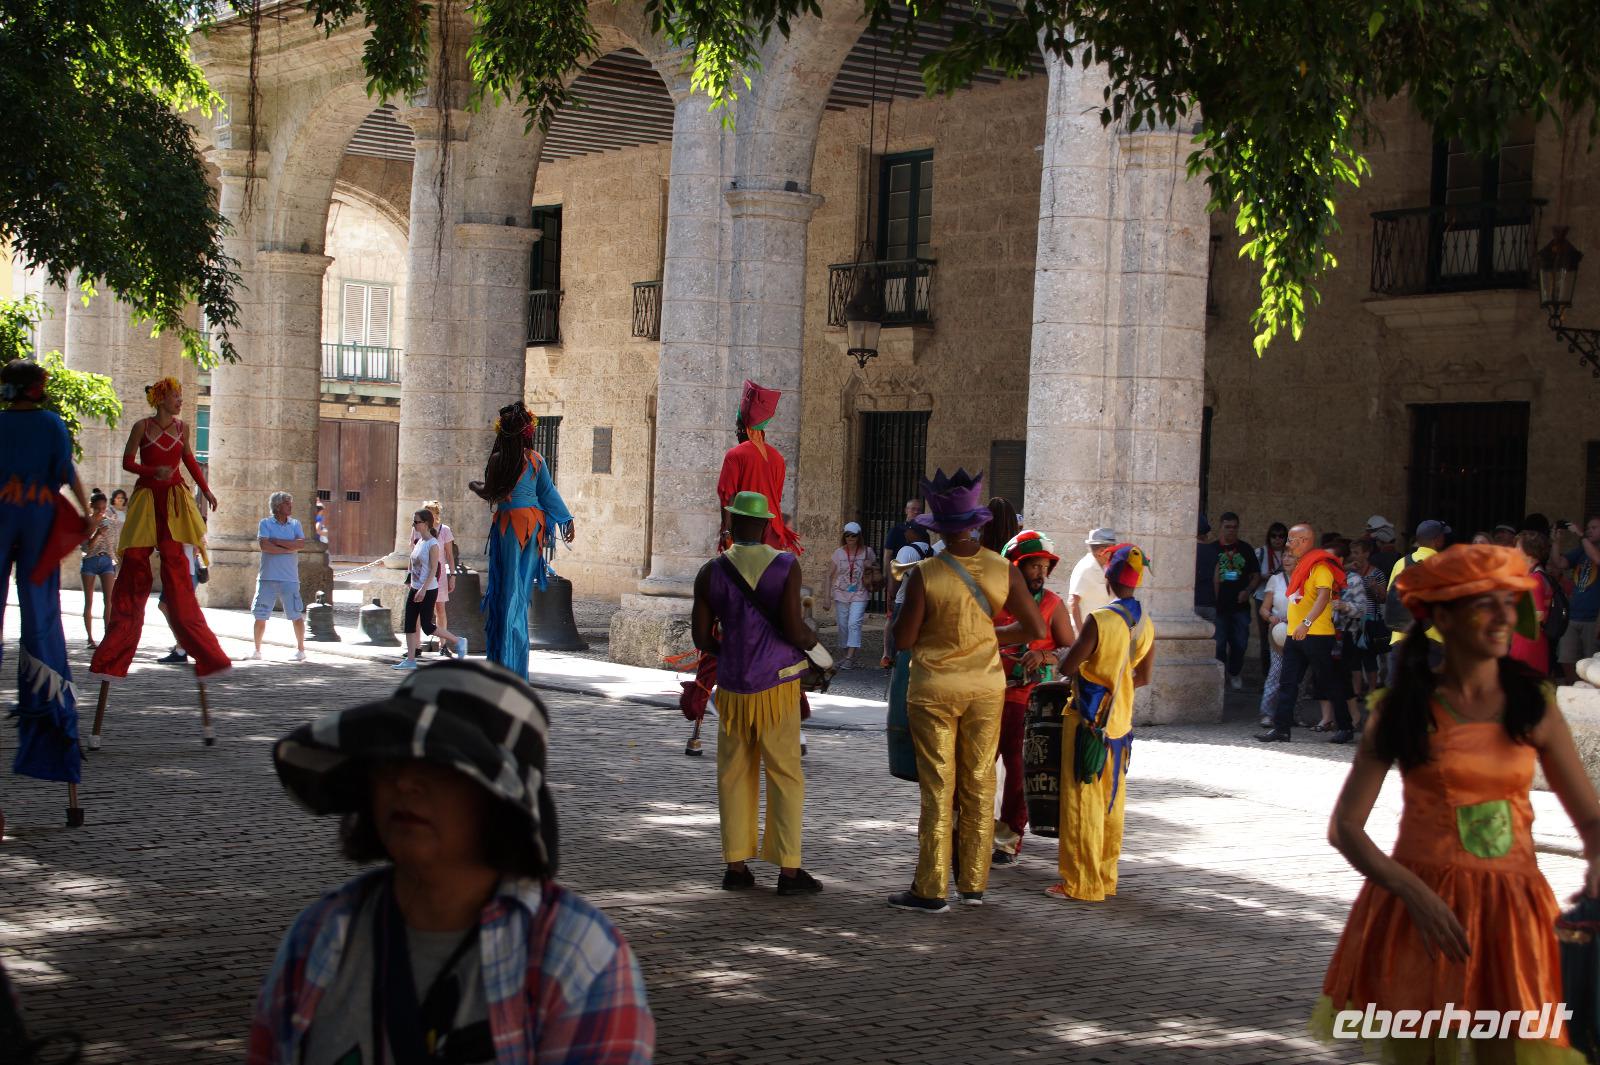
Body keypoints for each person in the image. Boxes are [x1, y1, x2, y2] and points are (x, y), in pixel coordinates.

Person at [253, 659, 655, 1065]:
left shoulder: (576, 956)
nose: (404, 782)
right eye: (393, 760)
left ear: (499, 800)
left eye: (438, 766)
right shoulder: (321, 933)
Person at [1311, 545, 1600, 1065]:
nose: (1503, 618)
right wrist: (1412, 893)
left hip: (1512, 908)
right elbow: (1345, 827)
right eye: (1484, 605)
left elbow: (1591, 819)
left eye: (1509, 604)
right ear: (1443, 617)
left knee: (1505, 1051)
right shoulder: (1400, 709)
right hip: (1422, 908)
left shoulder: (1533, 706)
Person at [888, 469, 1044, 913]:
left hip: (935, 689)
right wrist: (990, 636)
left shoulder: (926, 573)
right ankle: (973, 884)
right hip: (986, 688)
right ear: (974, 524)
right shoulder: (1002, 568)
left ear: (939, 527)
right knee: (979, 782)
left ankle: (931, 887)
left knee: (939, 788)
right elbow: (1034, 627)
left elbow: (903, 638)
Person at [691, 491, 830, 896]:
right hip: (778, 684)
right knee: (785, 775)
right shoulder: (785, 565)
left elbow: (702, 638)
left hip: (734, 688)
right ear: (768, 526)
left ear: (731, 524)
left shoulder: (711, 572)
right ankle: (788, 871)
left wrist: (732, 652)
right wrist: (818, 648)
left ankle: (735, 867)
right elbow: (793, 628)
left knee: (733, 775)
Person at [89, 377, 230, 683]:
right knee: (134, 570)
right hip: (147, 499)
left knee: (177, 574)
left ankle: (202, 651)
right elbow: (128, 462)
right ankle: (113, 655)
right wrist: (153, 471)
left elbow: (189, 460)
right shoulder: (141, 426)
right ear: (161, 399)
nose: (180, 400)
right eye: (176, 396)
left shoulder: (183, 428)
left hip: (175, 500)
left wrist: (206, 490)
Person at [0, 359, 91, 827]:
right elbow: (68, 474)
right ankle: (52, 724)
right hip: (36, 522)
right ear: (37, 388)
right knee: (42, 627)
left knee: (41, 623)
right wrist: (86, 515)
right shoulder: (53, 425)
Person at [1049, 543, 1155, 902]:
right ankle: (1106, 878)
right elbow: (1144, 676)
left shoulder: (1101, 619)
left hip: (1089, 721)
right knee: (1112, 802)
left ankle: (1081, 883)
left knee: (1082, 802)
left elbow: (1068, 666)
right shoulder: (1146, 622)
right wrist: (1118, 685)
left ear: (1108, 578)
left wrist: (1073, 663)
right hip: (1121, 724)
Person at [470, 402, 575, 681]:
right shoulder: (536, 460)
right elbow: (548, 492)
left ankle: (504, 665)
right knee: (520, 593)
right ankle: (517, 669)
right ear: (527, 432)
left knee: (507, 594)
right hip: (534, 525)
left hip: (510, 525)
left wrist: (474, 486)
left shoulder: (499, 460)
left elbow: (490, 492)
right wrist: (566, 519)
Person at [990, 530, 1073, 865]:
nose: (1041, 573)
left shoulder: (1052, 604)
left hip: (1025, 697)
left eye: (1044, 567)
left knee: (1017, 767)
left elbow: (1070, 650)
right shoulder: (991, 599)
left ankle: (1008, 838)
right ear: (1015, 566)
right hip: (985, 693)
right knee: (975, 765)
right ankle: (966, 829)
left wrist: (1044, 656)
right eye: (1033, 566)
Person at [1257, 524, 1353, 744]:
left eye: (1291, 539)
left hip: (1317, 635)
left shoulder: (1320, 567)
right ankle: (1281, 729)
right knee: (1287, 682)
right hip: (1295, 634)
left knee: (1328, 681)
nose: (1287, 544)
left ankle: (1345, 727)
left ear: (1304, 541)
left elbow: (1323, 597)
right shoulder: (1301, 566)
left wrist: (1306, 623)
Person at [716, 379, 800, 553]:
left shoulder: (735, 454)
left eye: (738, 427)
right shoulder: (778, 458)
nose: (736, 433)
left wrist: (726, 533)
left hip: (744, 534)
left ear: (745, 429)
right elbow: (776, 499)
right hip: (773, 534)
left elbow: (728, 497)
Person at [1384, 519, 1449, 683]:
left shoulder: (1401, 563)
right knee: (1429, 691)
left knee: (1398, 691)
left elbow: (1390, 598)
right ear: (1438, 540)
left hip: (1401, 638)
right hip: (1433, 641)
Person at [396, 509, 461, 671]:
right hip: (416, 587)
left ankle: (458, 641)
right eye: (413, 522)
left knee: (427, 626)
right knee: (409, 623)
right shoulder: (419, 542)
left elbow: (433, 569)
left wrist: (423, 589)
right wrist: (410, 581)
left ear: (425, 524)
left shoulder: (433, 544)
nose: (414, 525)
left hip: (428, 589)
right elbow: (413, 564)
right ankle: (410, 660)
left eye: (416, 522)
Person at [251, 491, 308, 663]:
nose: (290, 506)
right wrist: (289, 548)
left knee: (296, 615)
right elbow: (265, 546)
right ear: (277, 506)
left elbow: (301, 544)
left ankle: (301, 650)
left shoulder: (295, 524)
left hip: (290, 578)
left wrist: (277, 541)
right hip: (267, 577)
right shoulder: (265, 523)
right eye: (286, 503)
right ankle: (257, 650)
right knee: (260, 615)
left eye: (290, 503)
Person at [1211, 512, 1260, 691]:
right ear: (1220, 527)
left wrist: (1248, 591)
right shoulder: (1212, 549)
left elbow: (1256, 575)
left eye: (1234, 527)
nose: (1231, 530)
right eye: (1227, 527)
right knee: (1219, 644)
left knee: (1240, 643)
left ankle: (1234, 672)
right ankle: (1221, 675)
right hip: (1218, 607)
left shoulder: (1246, 549)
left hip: (1240, 606)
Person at [414, 499, 465, 659]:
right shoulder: (417, 528)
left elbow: (450, 555)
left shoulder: (444, 530)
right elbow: (413, 551)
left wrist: (453, 575)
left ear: (435, 515)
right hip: (420, 575)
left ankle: (443, 645)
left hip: (439, 575)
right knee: (417, 611)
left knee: (440, 610)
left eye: (429, 514)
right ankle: (415, 647)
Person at [1554, 516, 1600, 683]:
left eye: (1594, 528)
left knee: (1591, 663)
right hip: (1573, 614)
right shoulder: (1581, 551)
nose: (1589, 531)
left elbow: (1597, 559)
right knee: (1566, 658)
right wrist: (1556, 541)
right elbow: (1559, 563)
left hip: (1593, 617)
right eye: (1588, 528)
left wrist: (1581, 535)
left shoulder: (1590, 549)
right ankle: (1573, 687)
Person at [823, 521, 874, 669]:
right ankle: (847, 655)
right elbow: (829, 575)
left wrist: (869, 566)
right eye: (847, 535)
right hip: (841, 592)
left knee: (854, 623)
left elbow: (874, 570)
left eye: (853, 536)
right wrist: (827, 597)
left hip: (860, 592)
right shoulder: (839, 553)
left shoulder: (867, 552)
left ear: (859, 537)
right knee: (843, 625)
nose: (850, 538)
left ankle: (850, 657)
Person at [882, 522, 933, 667]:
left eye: (907, 530)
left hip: (903, 601)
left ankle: (896, 665)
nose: (905, 533)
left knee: (899, 638)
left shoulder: (906, 550)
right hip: (925, 602)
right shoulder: (933, 551)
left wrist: (891, 595)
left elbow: (896, 575)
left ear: (915, 533)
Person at [1345, 538, 1387, 706]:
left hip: (1370, 620)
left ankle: (1371, 689)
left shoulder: (1377, 573)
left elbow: (1383, 598)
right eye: (1352, 552)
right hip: (1352, 620)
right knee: (1354, 658)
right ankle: (1356, 691)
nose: (1353, 556)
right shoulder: (1349, 572)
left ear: (1366, 554)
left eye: (1356, 552)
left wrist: (1375, 587)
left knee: (1369, 657)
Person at [79, 489, 119, 649]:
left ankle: (107, 636)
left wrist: (115, 562)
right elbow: (85, 548)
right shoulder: (86, 523)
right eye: (97, 508)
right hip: (90, 561)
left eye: (103, 508)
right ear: (91, 506)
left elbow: (112, 545)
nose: (100, 512)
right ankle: (90, 639)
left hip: (106, 561)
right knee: (88, 601)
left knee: (108, 600)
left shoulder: (109, 522)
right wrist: (97, 534)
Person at [1512, 530, 1554, 677]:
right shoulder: (1536, 575)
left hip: (1528, 642)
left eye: (1518, 548)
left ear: (1530, 552)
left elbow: (1538, 615)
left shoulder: (1534, 579)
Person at [1066, 527, 1119, 642]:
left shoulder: (1103, 567)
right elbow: (1073, 602)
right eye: (1112, 550)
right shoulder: (1086, 568)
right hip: (1086, 636)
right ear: (1101, 551)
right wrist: (1082, 637)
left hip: (1099, 634)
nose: (1114, 554)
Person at [1257, 554, 1289, 729]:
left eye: (1292, 556)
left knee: (1300, 674)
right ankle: (1267, 713)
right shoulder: (1275, 580)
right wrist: (1270, 618)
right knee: (1276, 671)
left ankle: (1292, 714)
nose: (1287, 560)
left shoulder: (1307, 579)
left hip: (1300, 630)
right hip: (1278, 630)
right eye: (1285, 556)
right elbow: (1264, 609)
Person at [1254, 522, 1288, 677]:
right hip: (1263, 597)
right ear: (1269, 537)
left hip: (1283, 599)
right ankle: (1266, 675)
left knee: (1285, 637)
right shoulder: (1260, 552)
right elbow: (1252, 574)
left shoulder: (1290, 554)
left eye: (1281, 536)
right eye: (1274, 536)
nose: (1277, 539)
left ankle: (1283, 674)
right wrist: (1263, 577)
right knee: (1266, 637)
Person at [1193, 514, 1219, 624]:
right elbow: (1216, 580)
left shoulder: (1187, 551)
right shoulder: (1214, 552)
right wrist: (1216, 600)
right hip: (1209, 603)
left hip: (1191, 603)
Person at [883, 498, 923, 567]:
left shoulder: (924, 533)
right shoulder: (896, 530)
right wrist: (889, 574)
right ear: (906, 510)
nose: (916, 512)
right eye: (913, 509)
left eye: (919, 510)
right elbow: (887, 556)